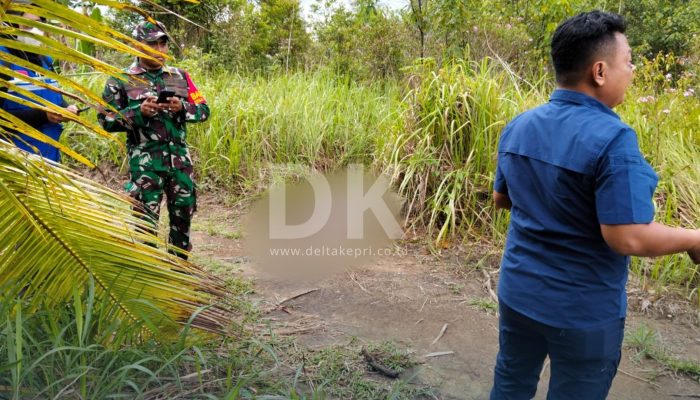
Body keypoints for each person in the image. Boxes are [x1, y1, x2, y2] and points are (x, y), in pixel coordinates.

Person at [490, 10, 700, 399]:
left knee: (511, 382)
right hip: (581, 311)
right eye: (629, 61)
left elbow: (503, 198)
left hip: (518, 291)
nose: (633, 70)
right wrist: (692, 238)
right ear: (599, 71)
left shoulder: (519, 125)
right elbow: (628, 238)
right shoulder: (613, 138)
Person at [98, 20, 210, 259]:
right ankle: (152, 279)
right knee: (145, 223)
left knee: (182, 218)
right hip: (146, 167)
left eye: (163, 44)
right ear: (138, 47)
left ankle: (180, 270)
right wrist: (138, 113)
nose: (160, 50)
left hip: (180, 164)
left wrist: (182, 108)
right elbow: (105, 120)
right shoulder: (120, 80)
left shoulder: (178, 76)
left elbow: (203, 110)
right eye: (152, 44)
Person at [0, 10, 78, 162]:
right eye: (28, 26)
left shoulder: (45, 61)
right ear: (12, 26)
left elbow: (55, 98)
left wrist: (67, 109)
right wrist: (43, 116)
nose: (35, 31)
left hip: (50, 157)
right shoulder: (4, 60)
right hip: (16, 159)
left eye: (39, 24)